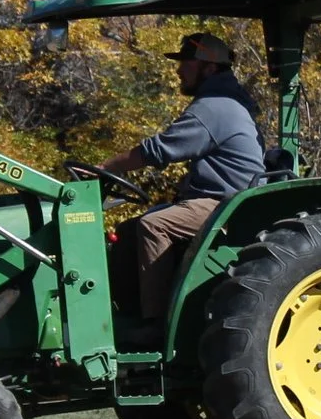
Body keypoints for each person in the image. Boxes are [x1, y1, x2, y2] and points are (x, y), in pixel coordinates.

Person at [95, 31, 266, 325]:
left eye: (187, 62)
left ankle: (154, 326)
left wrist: (104, 167)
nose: (178, 69)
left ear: (209, 68)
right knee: (127, 231)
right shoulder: (225, 101)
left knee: (154, 226)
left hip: (226, 205)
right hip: (220, 199)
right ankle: (125, 321)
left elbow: (158, 150)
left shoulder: (216, 106)